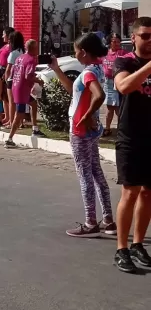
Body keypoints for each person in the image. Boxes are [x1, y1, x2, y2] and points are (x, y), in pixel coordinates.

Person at [49, 33, 115, 239]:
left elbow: (99, 96)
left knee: (85, 175)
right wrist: (57, 70)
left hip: (80, 130)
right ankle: (108, 219)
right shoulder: (96, 70)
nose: (75, 54)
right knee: (96, 172)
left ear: (84, 53)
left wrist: (85, 116)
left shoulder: (88, 73)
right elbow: (75, 93)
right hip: (90, 130)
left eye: (76, 51)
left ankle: (90, 222)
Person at [113, 16, 151, 273]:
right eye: (145, 36)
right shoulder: (125, 61)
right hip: (130, 138)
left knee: (148, 192)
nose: (149, 41)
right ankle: (121, 248)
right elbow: (124, 86)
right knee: (131, 191)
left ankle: (138, 244)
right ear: (134, 37)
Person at [4, 39, 39, 148]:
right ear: (33, 48)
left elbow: (13, 73)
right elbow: (28, 76)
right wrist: (38, 81)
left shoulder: (19, 58)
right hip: (22, 90)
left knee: (33, 103)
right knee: (19, 114)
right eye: (36, 47)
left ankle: (35, 128)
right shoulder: (31, 60)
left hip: (16, 86)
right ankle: (10, 139)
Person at [102, 32, 126, 137]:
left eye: (118, 41)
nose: (116, 43)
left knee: (118, 108)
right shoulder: (105, 53)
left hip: (118, 81)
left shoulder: (123, 53)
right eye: (114, 41)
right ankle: (107, 128)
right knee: (109, 107)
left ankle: (122, 129)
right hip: (108, 83)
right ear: (110, 42)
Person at [4, 31, 25, 128]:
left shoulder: (13, 54)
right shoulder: (23, 52)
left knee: (11, 102)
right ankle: (20, 122)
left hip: (12, 79)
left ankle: (12, 122)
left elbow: (8, 69)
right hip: (21, 79)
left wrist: (6, 79)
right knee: (19, 102)